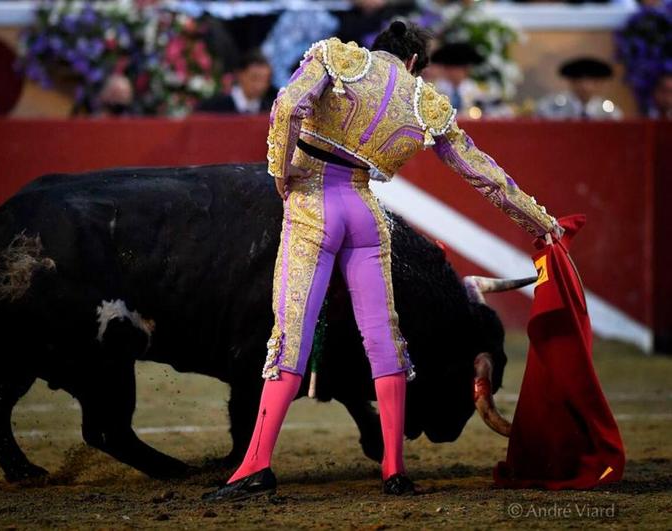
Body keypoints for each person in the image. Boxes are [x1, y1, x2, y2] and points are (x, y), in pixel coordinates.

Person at [202, 19, 564, 502]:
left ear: (381, 49)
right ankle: (394, 469)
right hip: (366, 213)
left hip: (313, 205)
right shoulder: (426, 102)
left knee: (291, 336)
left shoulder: (338, 57)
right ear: (415, 62)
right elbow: (486, 176)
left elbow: (288, 105)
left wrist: (281, 173)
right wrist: (543, 225)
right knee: (384, 338)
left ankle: (255, 465)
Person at [536, 57, 622, 120]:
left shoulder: (607, 110)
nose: (586, 86)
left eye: (592, 80)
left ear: (599, 84)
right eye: (580, 80)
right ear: (572, 81)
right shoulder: (552, 106)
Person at [196, 50, 274, 114]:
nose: (260, 86)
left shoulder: (270, 111)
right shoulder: (213, 107)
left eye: (265, 80)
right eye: (254, 78)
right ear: (240, 75)